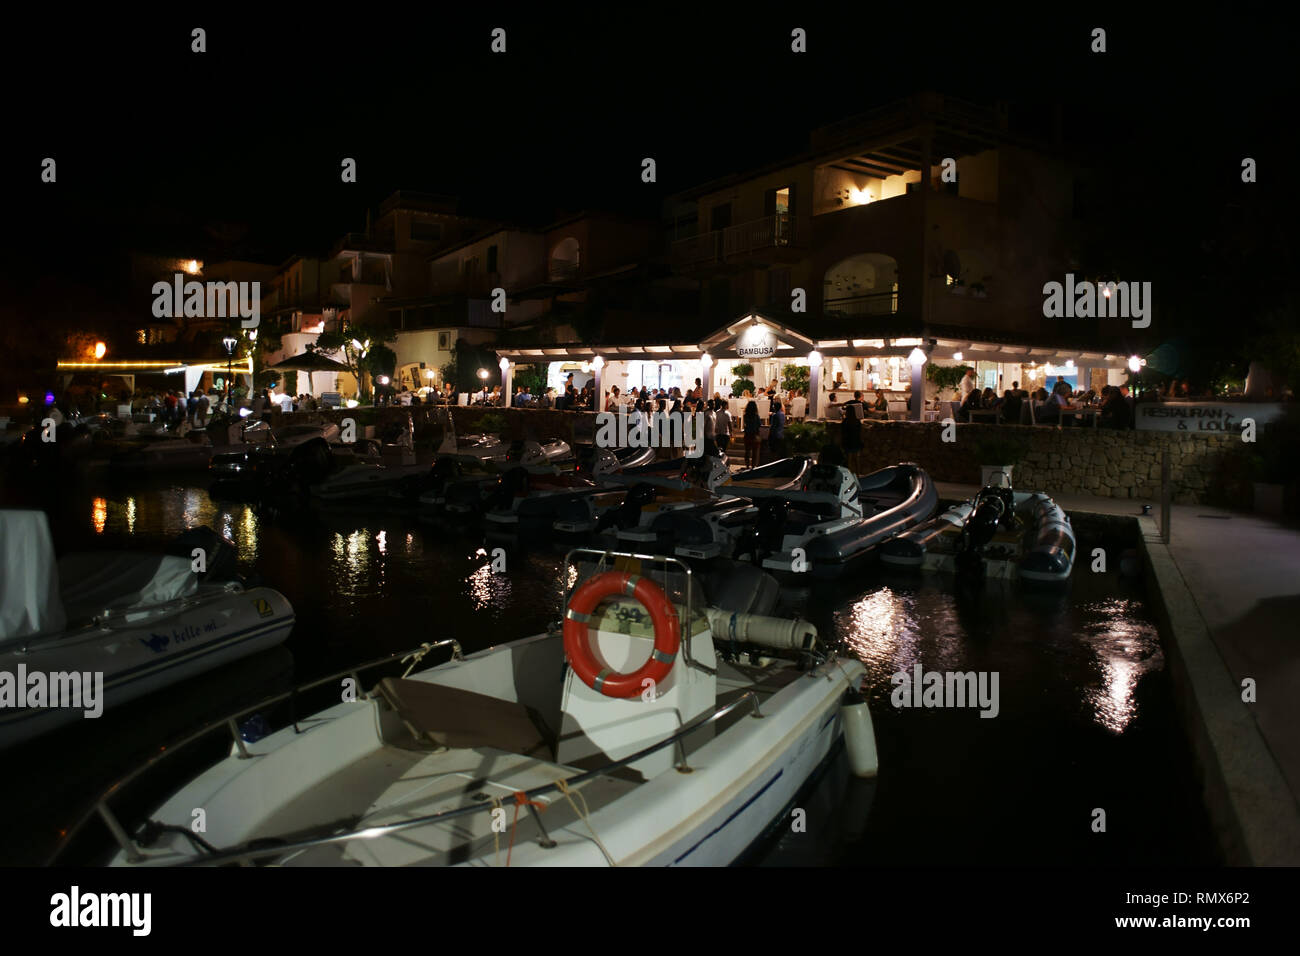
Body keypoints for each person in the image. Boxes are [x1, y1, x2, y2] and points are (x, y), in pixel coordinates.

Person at [841, 391, 864, 472]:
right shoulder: (857, 421)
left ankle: (849, 474)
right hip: (856, 442)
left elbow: (843, 432)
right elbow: (860, 432)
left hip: (848, 443)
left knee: (849, 460)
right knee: (857, 460)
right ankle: (858, 474)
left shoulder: (845, 422)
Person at [742, 400, 762, 468]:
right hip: (754, 435)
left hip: (747, 435)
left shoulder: (745, 416)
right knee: (754, 453)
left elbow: (745, 425)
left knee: (747, 451)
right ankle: (753, 466)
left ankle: (747, 466)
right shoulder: (756, 416)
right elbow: (759, 425)